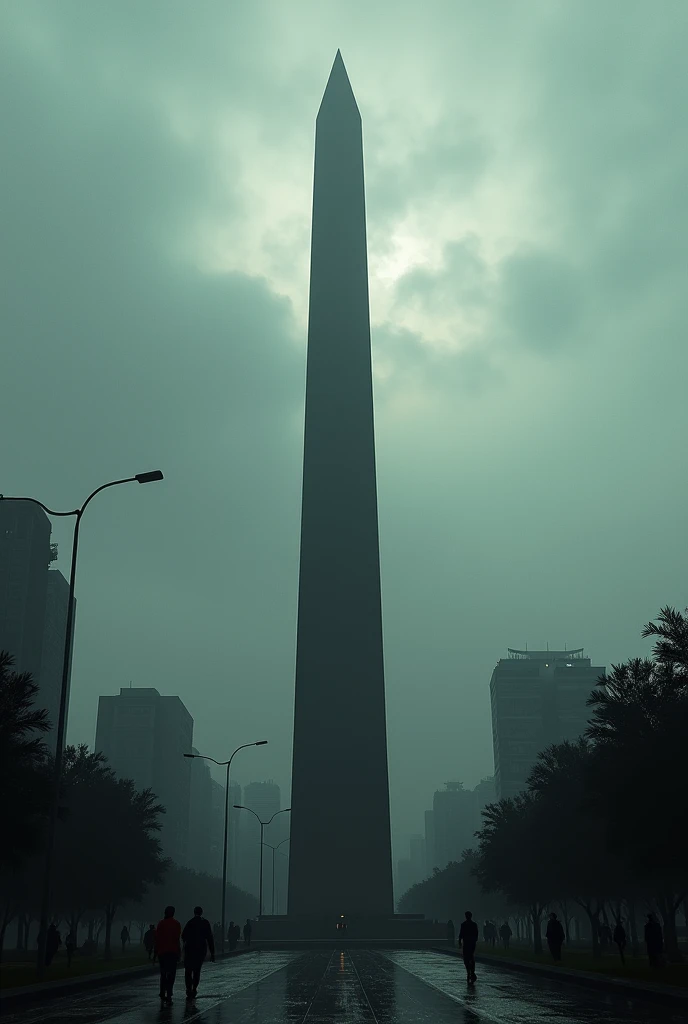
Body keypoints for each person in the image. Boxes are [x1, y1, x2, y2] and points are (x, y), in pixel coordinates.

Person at [182, 906, 215, 1000]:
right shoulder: (205, 922)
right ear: (201, 912)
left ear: (194, 912)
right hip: (200, 949)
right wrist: (212, 952)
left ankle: (188, 989)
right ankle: (194, 988)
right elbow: (209, 938)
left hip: (190, 949)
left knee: (188, 971)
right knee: (197, 970)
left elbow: (183, 935)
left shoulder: (190, 922)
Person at [155, 905, 182, 1005]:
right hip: (172, 952)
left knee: (163, 973)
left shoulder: (161, 923)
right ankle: (169, 993)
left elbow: (157, 939)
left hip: (162, 952)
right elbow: (177, 939)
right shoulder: (176, 924)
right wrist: (179, 952)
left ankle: (162, 991)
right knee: (171, 973)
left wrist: (156, 952)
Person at [458, 911, 478, 984]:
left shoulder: (464, 924)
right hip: (470, 943)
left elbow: (461, 934)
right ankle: (471, 972)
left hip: (467, 943)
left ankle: (470, 972)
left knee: (467, 958)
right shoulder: (473, 924)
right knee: (470, 958)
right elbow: (476, 934)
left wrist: (460, 942)